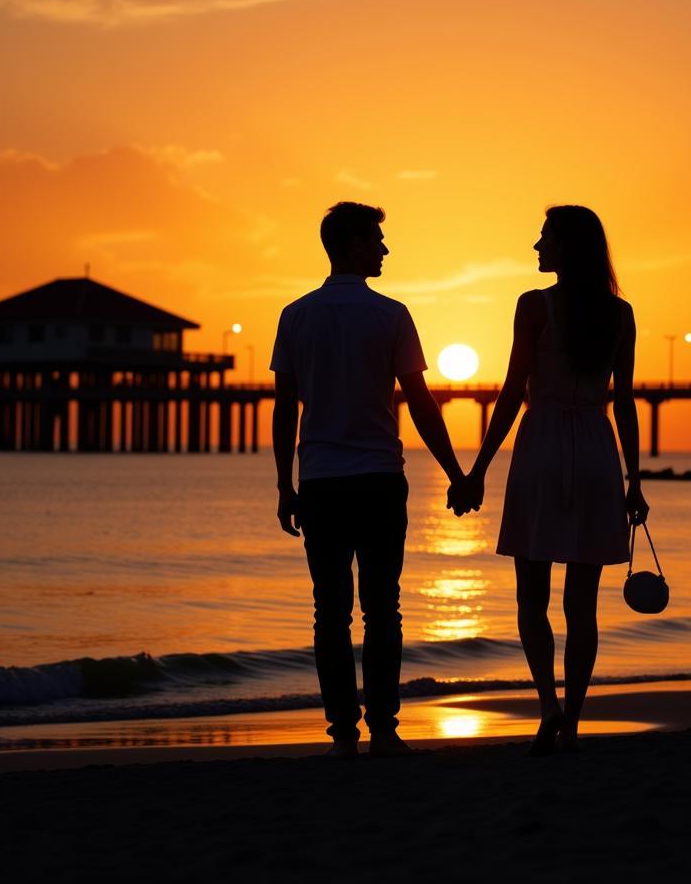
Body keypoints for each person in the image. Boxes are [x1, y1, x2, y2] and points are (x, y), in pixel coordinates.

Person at [271, 201, 474, 759]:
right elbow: (422, 405)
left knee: (329, 610)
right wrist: (456, 473)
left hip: (321, 483)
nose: (385, 249)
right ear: (355, 245)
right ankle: (383, 728)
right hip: (380, 480)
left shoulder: (296, 315)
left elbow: (285, 408)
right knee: (383, 607)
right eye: (378, 240)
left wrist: (284, 485)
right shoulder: (391, 314)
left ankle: (342, 732)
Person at [449, 205, 649, 755]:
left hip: (541, 449)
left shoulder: (534, 306)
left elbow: (513, 392)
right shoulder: (620, 313)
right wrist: (634, 480)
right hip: (596, 450)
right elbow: (625, 404)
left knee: (531, 596)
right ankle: (574, 720)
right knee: (581, 604)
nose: (537, 247)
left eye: (545, 239)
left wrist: (478, 470)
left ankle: (548, 706)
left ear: (566, 248)